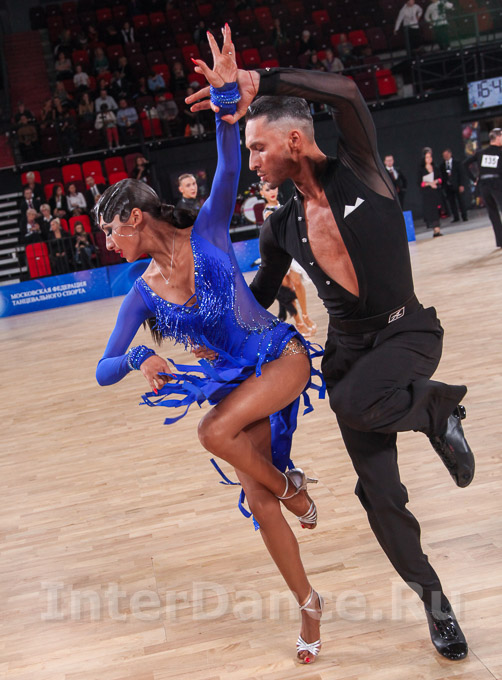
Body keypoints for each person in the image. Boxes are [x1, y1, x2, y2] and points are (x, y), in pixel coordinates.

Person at [187, 43, 475, 661]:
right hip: (348, 352)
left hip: (406, 333)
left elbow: (345, 92)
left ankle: (435, 408)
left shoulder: (361, 169)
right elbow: (259, 296)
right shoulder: (279, 225)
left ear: (294, 140)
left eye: (258, 148)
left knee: (350, 399)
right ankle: (436, 603)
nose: (253, 162)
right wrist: (211, 325)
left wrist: (261, 78)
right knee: (382, 497)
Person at [96, 26, 324, 665]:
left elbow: (228, 160)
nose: (108, 243)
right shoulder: (140, 294)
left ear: (135, 218)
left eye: (110, 230)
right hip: (234, 384)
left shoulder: (210, 230)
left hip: (279, 358)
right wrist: (139, 357)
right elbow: (103, 369)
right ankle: (308, 601)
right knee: (256, 498)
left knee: (212, 433)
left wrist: (228, 100)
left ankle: (294, 490)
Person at [261, 181, 317, 336]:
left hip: (290, 249)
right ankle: (299, 322)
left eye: (273, 188)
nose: (272, 192)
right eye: (267, 190)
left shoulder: (282, 206)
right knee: (287, 290)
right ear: (262, 194)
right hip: (277, 252)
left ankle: (305, 315)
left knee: (297, 283)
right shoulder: (268, 212)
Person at [464, 127, 502, 248]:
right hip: (496, 184)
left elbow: (465, 164)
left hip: (484, 186)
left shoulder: (481, 153)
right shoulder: (499, 152)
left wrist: (474, 179)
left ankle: (500, 241)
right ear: (497, 137)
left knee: (493, 213)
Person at [419, 147, 444, 237]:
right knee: (431, 211)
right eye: (427, 157)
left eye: (430, 157)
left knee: (437, 210)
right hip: (427, 194)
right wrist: (429, 183)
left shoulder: (435, 167)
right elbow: (419, 183)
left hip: (435, 192)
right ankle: (435, 229)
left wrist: (435, 182)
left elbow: (441, 179)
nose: (429, 159)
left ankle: (437, 229)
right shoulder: (421, 169)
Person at [439, 149, 468, 223]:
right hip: (448, 186)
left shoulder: (457, 163)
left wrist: (461, 184)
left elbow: (462, 174)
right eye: (444, 155)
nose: (445, 156)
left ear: (450, 154)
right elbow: (442, 176)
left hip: (457, 185)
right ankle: (456, 217)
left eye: (446, 155)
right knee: (452, 202)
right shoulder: (442, 166)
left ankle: (464, 216)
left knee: (461, 201)